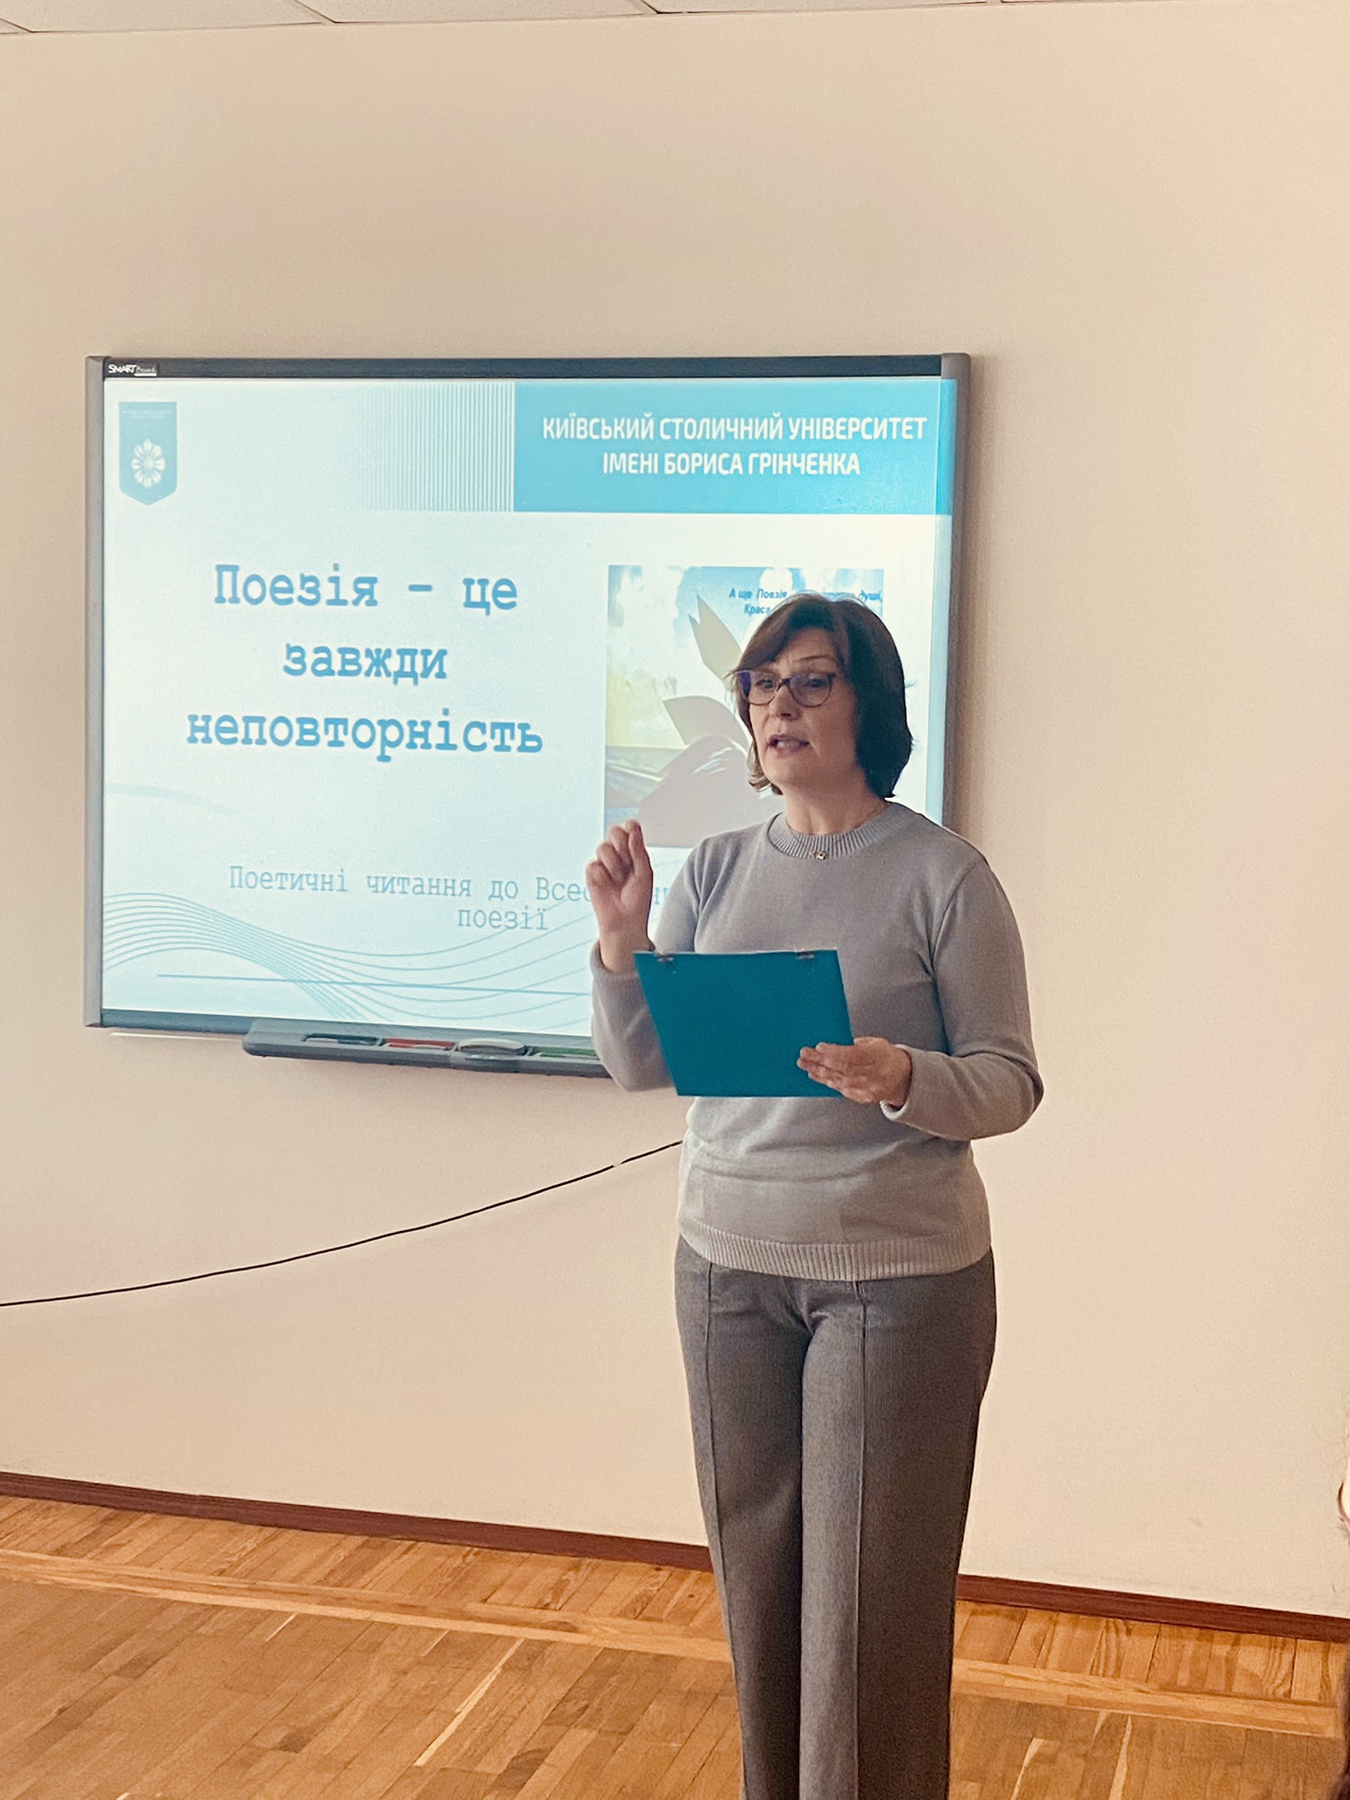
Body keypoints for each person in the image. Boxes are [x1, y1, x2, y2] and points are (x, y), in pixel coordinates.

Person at [586, 592, 1042, 1800]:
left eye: (809, 680)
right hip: (725, 1268)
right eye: (760, 684)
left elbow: (1010, 1082)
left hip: (898, 1285)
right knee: (762, 1589)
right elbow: (644, 1062)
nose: (776, 705)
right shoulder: (718, 868)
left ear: (867, 704)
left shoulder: (944, 876)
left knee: (866, 1613)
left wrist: (904, 1077)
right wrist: (623, 944)